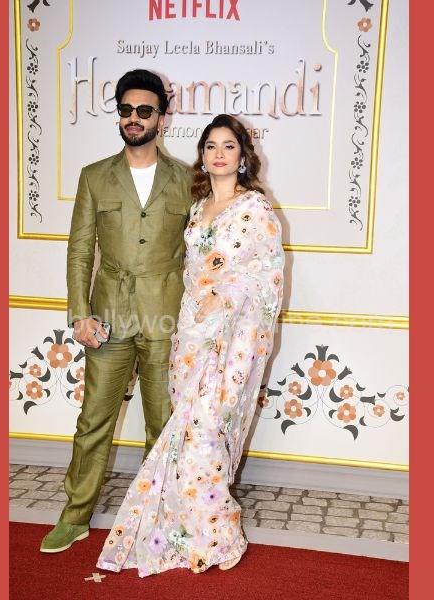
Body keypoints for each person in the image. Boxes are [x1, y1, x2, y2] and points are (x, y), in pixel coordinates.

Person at [95, 114, 285, 576]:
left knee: (207, 429)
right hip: (190, 334)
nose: (219, 154)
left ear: (243, 156)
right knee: (187, 428)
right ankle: (190, 530)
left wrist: (225, 298)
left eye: (228, 146)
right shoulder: (197, 209)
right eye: (211, 146)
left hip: (234, 339)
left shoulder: (255, 208)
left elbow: (269, 276)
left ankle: (219, 535)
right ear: (202, 155)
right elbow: (189, 270)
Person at [40, 69, 193, 553]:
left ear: (162, 119)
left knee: (163, 424)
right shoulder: (94, 176)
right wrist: (78, 313)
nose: (134, 118)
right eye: (126, 110)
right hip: (107, 317)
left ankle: (156, 517)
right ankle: (75, 516)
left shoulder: (188, 180)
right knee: (93, 422)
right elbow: (80, 250)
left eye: (144, 110)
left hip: (167, 316)